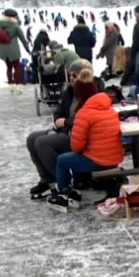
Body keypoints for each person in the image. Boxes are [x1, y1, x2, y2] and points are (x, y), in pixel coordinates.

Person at [48, 68, 123, 211]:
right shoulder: (109, 108)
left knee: (63, 160)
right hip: (115, 158)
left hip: (98, 161)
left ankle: (63, 193)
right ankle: (79, 185)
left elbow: (76, 146)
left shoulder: (84, 113)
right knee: (79, 156)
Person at [26, 59, 99, 198]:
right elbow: (58, 112)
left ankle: (63, 182)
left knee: (42, 143)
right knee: (32, 138)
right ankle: (47, 180)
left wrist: (65, 123)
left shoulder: (91, 91)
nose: (71, 78)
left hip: (79, 136)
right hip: (67, 131)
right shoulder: (70, 91)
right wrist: (60, 122)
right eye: (70, 75)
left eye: (74, 75)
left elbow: (86, 120)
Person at [0, 8, 31, 90]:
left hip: (3, 50)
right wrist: (27, 49)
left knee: (8, 67)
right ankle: (17, 85)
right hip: (14, 50)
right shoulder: (15, 25)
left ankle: (10, 84)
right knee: (17, 67)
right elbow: (22, 38)